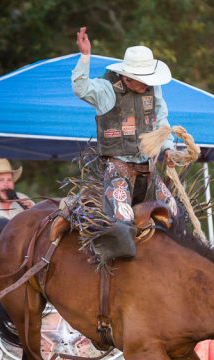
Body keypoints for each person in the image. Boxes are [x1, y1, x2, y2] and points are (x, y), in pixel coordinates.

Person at [72, 26, 179, 261]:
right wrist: (85, 56)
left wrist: (168, 148)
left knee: (174, 212)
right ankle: (107, 263)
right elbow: (81, 88)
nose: (146, 84)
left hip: (148, 171)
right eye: (142, 80)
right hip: (119, 171)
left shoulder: (153, 90)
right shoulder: (106, 90)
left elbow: (161, 120)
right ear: (128, 77)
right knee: (123, 219)